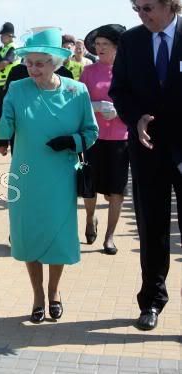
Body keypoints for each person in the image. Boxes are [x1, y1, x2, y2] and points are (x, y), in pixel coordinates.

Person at [0, 27, 98, 323]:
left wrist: (71, 142)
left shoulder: (77, 91)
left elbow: (91, 132)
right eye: (29, 62)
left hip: (60, 175)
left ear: (55, 63)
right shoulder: (17, 88)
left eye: (39, 63)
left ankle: (54, 292)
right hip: (25, 174)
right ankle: (37, 294)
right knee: (28, 235)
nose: (32, 69)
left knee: (58, 236)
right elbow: (2, 132)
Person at [109, 0, 182, 331]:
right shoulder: (132, 40)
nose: (141, 14)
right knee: (151, 229)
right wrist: (134, 117)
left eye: (148, 7)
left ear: (171, 4)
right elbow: (119, 91)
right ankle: (151, 301)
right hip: (146, 148)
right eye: (137, 8)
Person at [80, 24, 128, 255]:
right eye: (97, 45)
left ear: (117, 47)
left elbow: (139, 101)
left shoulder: (129, 70)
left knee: (116, 189)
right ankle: (90, 218)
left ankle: (109, 237)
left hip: (121, 137)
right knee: (89, 186)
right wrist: (95, 106)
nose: (99, 48)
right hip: (93, 137)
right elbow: (78, 104)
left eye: (104, 45)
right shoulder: (88, 72)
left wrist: (120, 109)